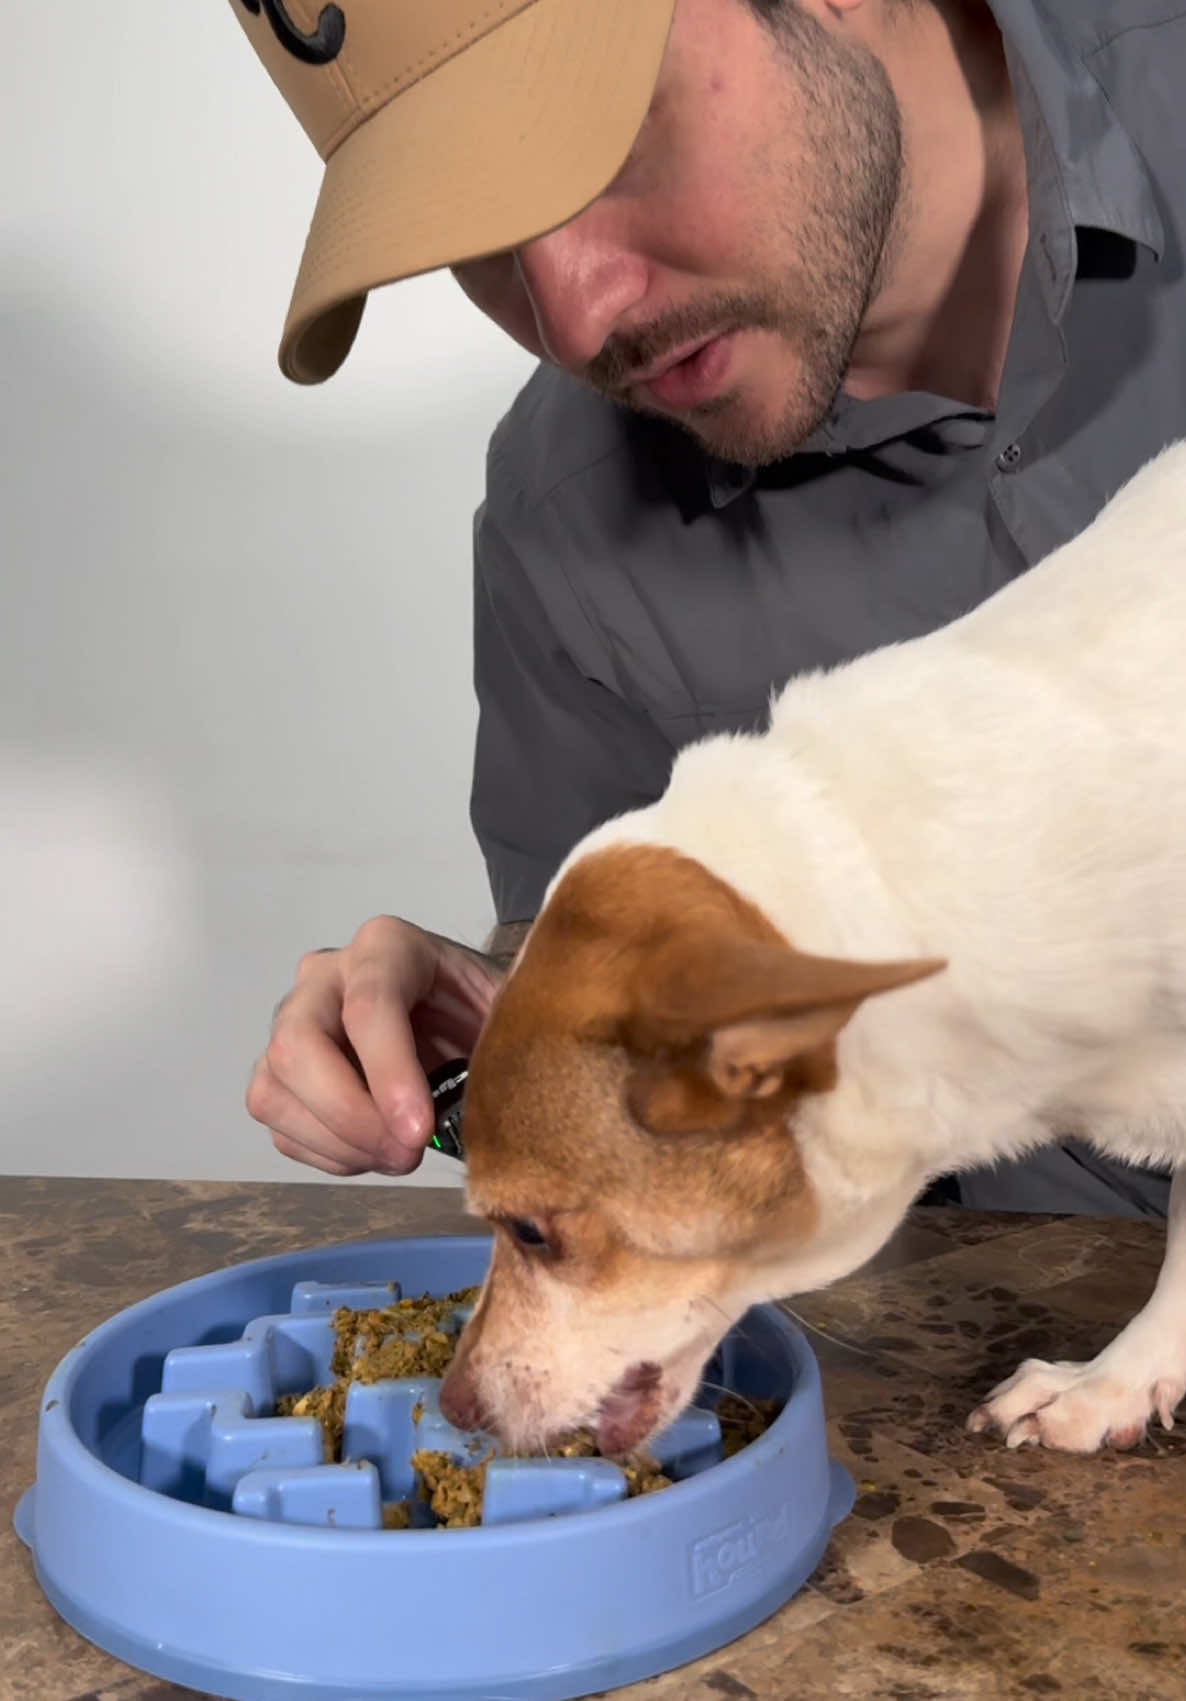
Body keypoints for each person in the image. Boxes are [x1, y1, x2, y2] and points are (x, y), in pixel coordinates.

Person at [229, 0, 1183, 1216]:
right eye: (467, 236)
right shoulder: (567, 522)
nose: (575, 316)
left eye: (597, 148)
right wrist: (506, 1022)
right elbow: (709, 1035)